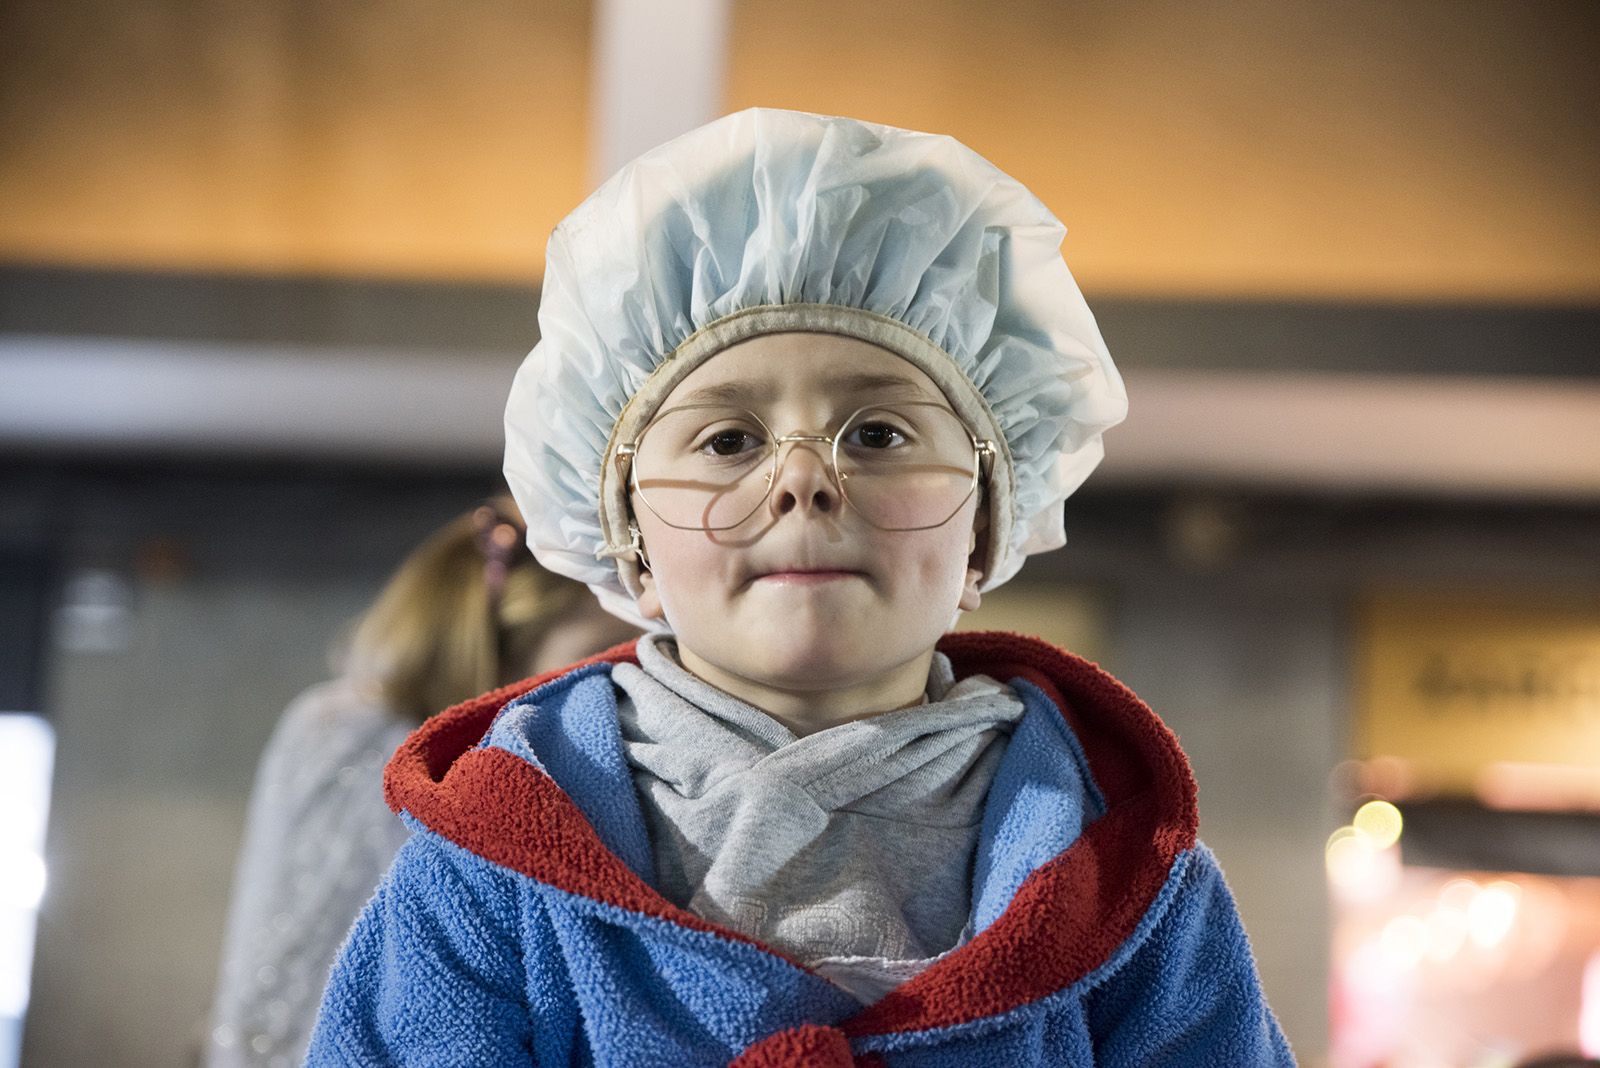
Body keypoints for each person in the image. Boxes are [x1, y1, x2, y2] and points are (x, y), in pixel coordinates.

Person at [308, 108, 1295, 1065]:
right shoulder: (487, 869)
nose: (802, 478)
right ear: (629, 544)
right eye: (728, 439)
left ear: (987, 527)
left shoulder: (1132, 881)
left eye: (877, 434)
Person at [204, 498, 639, 1067]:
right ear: (495, 652)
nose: (614, 685)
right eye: (592, 658)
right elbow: (298, 969)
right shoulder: (355, 740)